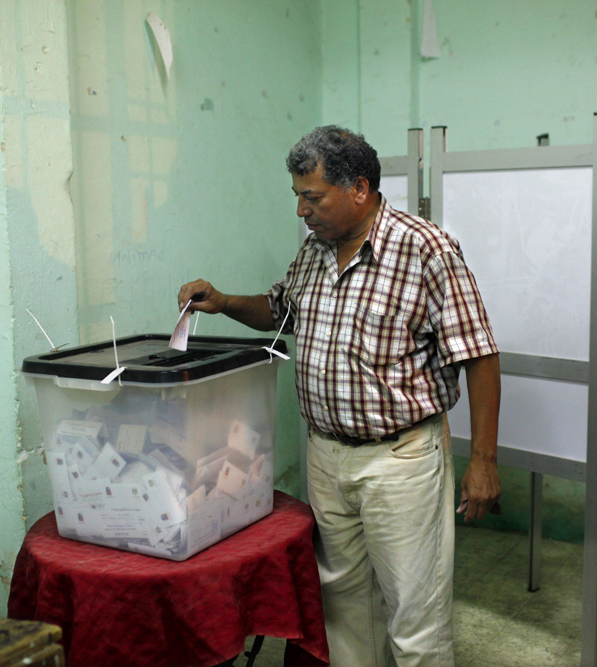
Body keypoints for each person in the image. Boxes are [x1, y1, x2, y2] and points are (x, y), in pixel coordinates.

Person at [178, 125, 500, 667]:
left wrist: (485, 460)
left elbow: (480, 354)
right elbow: (281, 312)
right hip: (326, 457)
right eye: (298, 197)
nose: (302, 212)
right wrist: (226, 301)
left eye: (313, 197)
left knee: (415, 617)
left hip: (399, 460)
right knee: (345, 611)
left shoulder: (426, 248)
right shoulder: (313, 251)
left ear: (360, 188)